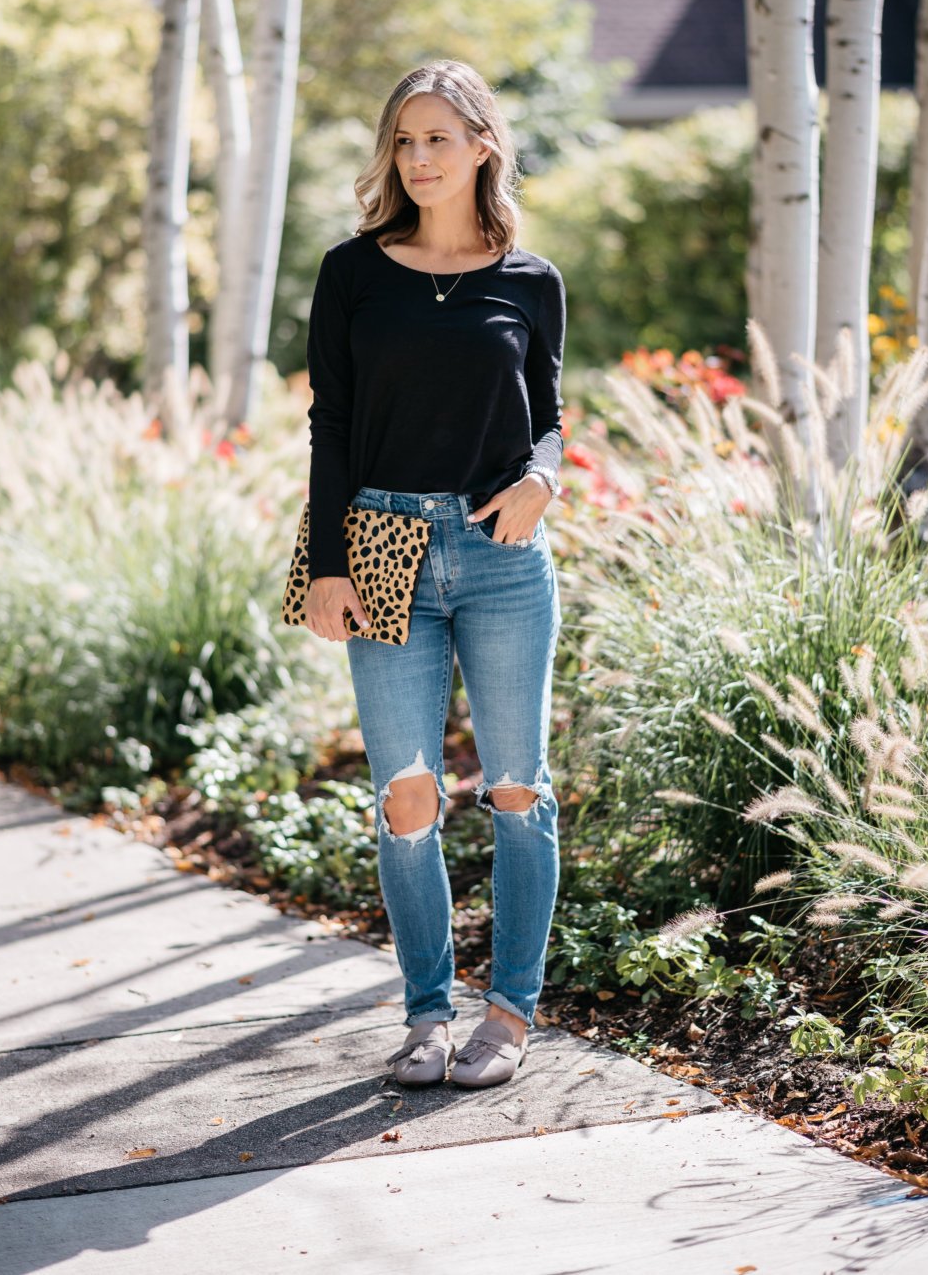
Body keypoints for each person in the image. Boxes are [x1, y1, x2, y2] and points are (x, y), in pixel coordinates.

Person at [302, 59, 566, 1090]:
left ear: (483, 147)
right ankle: (425, 1013)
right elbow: (330, 427)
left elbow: (546, 414)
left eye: (437, 139)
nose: (417, 159)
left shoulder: (529, 279)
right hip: (382, 545)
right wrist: (328, 565)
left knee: (515, 789)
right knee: (404, 794)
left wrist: (545, 477)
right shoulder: (353, 271)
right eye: (403, 141)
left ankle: (508, 1012)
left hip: (503, 556)